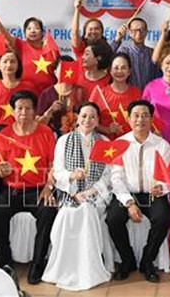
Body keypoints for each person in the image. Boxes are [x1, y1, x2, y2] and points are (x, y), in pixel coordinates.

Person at [42, 102, 112, 291]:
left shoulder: (104, 142)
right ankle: (66, 266)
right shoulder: (64, 140)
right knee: (68, 215)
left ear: (97, 120)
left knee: (87, 212)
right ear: (77, 118)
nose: (87, 120)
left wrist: (89, 192)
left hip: (95, 193)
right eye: (83, 116)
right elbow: (58, 170)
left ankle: (89, 267)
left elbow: (108, 176)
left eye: (92, 117)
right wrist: (72, 178)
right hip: (69, 190)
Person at [0, 90, 57, 285]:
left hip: (38, 189)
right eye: (19, 108)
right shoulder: (5, 135)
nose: (24, 113)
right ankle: (5, 262)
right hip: (12, 189)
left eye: (28, 108)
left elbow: (53, 165)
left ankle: (38, 263)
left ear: (35, 111)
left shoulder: (45, 133)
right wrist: (0, 170)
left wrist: (49, 187)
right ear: (13, 111)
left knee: (49, 211)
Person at [106, 99, 170, 282]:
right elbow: (116, 178)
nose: (140, 120)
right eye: (136, 115)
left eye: (145, 115)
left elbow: (167, 177)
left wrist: (163, 186)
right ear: (129, 119)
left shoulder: (162, 145)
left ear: (151, 119)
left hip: (153, 194)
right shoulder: (119, 144)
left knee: (162, 218)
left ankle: (147, 260)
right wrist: (129, 203)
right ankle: (127, 261)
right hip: (127, 193)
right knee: (113, 219)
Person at [0, 14, 60, 95]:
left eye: (37, 28)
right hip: (26, 95)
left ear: (42, 32)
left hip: (49, 95)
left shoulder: (51, 48)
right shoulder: (21, 45)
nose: (33, 31)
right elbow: (7, 37)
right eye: (29, 28)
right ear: (25, 32)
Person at [89, 52, 142, 139]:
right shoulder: (99, 92)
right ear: (110, 71)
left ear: (129, 72)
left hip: (130, 144)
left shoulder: (137, 93)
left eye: (123, 68)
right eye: (116, 68)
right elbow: (89, 119)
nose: (119, 71)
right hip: (105, 144)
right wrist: (106, 130)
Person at [0, 49, 37, 130]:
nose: (9, 65)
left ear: (18, 65)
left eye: (12, 61)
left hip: (23, 129)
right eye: (5, 61)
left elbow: (35, 111)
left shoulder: (29, 86)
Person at [38, 55, 88, 135]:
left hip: (77, 136)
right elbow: (39, 124)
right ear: (55, 71)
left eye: (69, 68)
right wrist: (49, 111)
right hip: (52, 138)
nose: (66, 71)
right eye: (62, 68)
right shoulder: (46, 94)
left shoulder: (81, 92)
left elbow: (89, 116)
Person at [114, 17, 159, 91]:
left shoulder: (152, 53)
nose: (138, 33)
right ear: (129, 32)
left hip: (148, 96)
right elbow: (106, 59)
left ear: (146, 32)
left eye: (142, 30)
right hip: (129, 95)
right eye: (134, 30)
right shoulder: (124, 52)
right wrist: (117, 40)